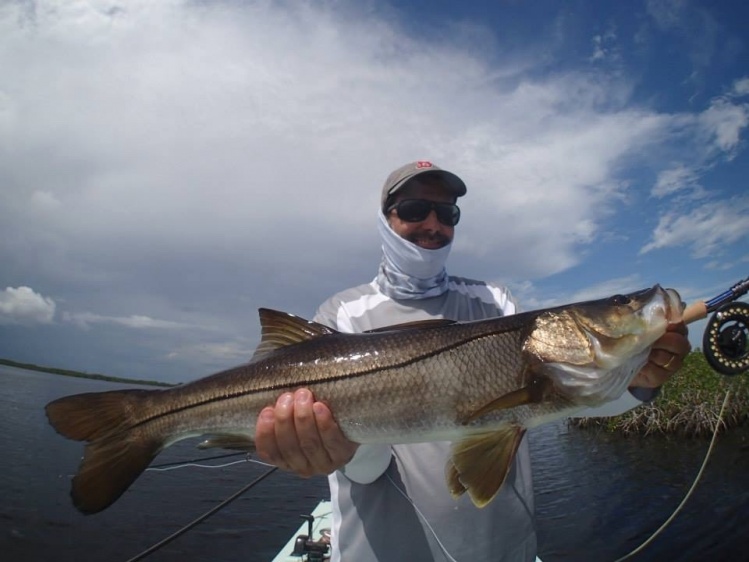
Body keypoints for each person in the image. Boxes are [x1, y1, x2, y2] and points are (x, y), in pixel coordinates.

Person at [255, 161, 691, 561]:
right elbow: (366, 472)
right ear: (385, 218)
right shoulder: (343, 313)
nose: (433, 225)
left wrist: (641, 382)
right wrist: (336, 447)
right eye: (414, 209)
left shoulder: (495, 301)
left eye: (448, 215)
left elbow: (562, 396)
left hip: (503, 550)